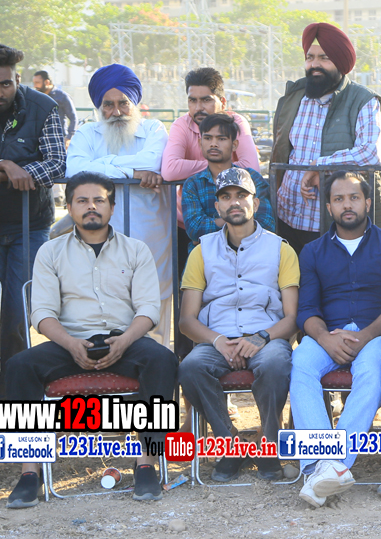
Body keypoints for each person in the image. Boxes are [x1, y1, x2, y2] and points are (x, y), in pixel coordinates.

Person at [2, 172, 178, 508]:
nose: (91, 207)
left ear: (112, 207)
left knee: (162, 359)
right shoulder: (51, 252)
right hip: (70, 343)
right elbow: (42, 313)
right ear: (69, 207)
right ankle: (30, 471)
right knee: (18, 366)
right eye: (82, 201)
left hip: (123, 340)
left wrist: (125, 340)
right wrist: (70, 344)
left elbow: (148, 309)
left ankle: (146, 463)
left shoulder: (136, 250)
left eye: (99, 200)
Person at [290, 171, 381, 508]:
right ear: (329, 207)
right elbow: (306, 310)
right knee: (301, 362)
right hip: (330, 333)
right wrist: (324, 339)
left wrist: (365, 336)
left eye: (354, 197)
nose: (347, 205)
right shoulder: (312, 251)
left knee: (371, 370)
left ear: (368, 202)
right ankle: (325, 465)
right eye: (339, 199)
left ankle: (330, 465)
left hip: (376, 332)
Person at [178, 167, 295, 482]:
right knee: (190, 368)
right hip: (216, 338)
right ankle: (230, 444)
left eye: (242, 195)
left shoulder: (281, 248)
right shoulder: (201, 251)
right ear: (217, 206)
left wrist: (260, 338)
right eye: (226, 197)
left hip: (266, 337)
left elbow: (292, 317)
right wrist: (218, 341)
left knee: (276, 364)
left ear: (255, 203)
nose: (234, 202)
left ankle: (268, 443)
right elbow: (187, 319)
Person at [67, 63, 173, 347]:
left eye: (123, 103)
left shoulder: (153, 129)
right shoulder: (87, 134)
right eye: (108, 105)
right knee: (105, 316)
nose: (116, 112)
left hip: (151, 239)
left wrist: (101, 167)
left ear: (134, 103)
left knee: (154, 315)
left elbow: (154, 162)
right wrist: (132, 172)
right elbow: (75, 170)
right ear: (98, 107)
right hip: (102, 243)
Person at [271, 23, 381, 254]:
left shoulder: (363, 100)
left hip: (333, 224)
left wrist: (320, 166)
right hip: (287, 215)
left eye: (324, 58)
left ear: (340, 62)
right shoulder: (294, 97)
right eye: (310, 57)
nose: (314, 64)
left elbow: (371, 154)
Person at [0, 43, 65, 361]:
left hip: (29, 225)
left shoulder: (43, 106)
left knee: (16, 310)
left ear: (18, 79)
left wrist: (4, 175)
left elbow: (57, 163)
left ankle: (10, 377)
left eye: (5, 83)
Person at [181, 113, 273, 245]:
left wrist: (216, 224)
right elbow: (195, 230)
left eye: (221, 139)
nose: (213, 144)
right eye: (208, 138)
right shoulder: (193, 184)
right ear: (200, 143)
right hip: (206, 255)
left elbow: (266, 224)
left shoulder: (252, 178)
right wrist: (241, 218)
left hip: (251, 251)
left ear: (234, 145)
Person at [161, 67, 260, 184]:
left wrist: (202, 168)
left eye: (206, 100)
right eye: (193, 100)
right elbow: (170, 170)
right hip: (192, 196)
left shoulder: (236, 122)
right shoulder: (181, 125)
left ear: (223, 103)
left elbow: (252, 168)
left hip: (232, 195)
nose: (198, 108)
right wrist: (219, 165)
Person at [32, 70, 77, 141]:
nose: (35, 86)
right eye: (34, 83)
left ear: (47, 82)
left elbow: (73, 118)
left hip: (58, 139)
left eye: (37, 83)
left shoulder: (62, 96)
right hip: (40, 139)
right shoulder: (36, 97)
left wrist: (69, 137)